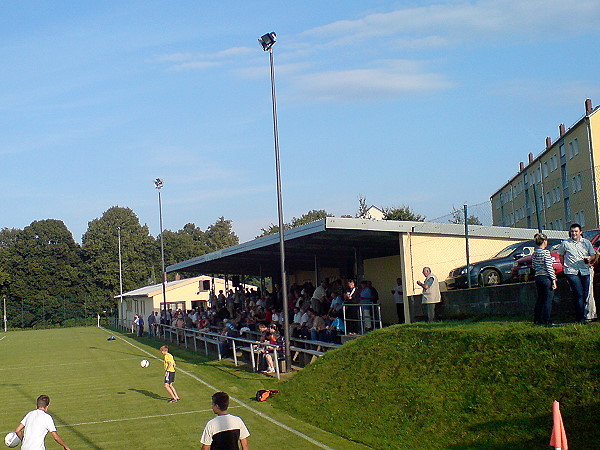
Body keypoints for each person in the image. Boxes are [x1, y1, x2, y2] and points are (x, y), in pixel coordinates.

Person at [557, 223, 597, 323]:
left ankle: (584, 315)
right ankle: (580, 318)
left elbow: (593, 255)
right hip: (572, 271)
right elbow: (560, 255)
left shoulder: (586, 243)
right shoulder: (565, 243)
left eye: (576, 231)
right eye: (572, 231)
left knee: (585, 294)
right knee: (578, 293)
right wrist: (564, 266)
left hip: (584, 270)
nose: (574, 233)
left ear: (580, 232)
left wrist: (589, 258)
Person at [532, 233, 557, 325]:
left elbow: (534, 266)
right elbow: (549, 267)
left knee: (540, 299)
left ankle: (537, 319)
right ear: (544, 242)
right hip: (546, 277)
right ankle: (546, 319)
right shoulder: (546, 252)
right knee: (548, 300)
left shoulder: (535, 253)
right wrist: (553, 280)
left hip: (538, 277)